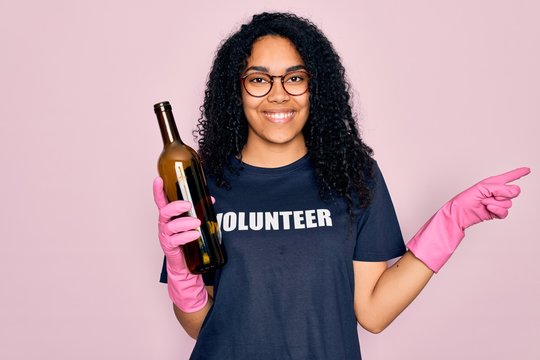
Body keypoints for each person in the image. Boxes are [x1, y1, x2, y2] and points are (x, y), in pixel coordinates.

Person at [152, 12, 530, 359]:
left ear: (317, 88)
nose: (279, 93)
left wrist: (451, 221)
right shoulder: (205, 184)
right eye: (258, 79)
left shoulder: (354, 176)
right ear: (236, 90)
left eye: (295, 78)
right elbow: (200, 327)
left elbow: (374, 313)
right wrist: (181, 274)